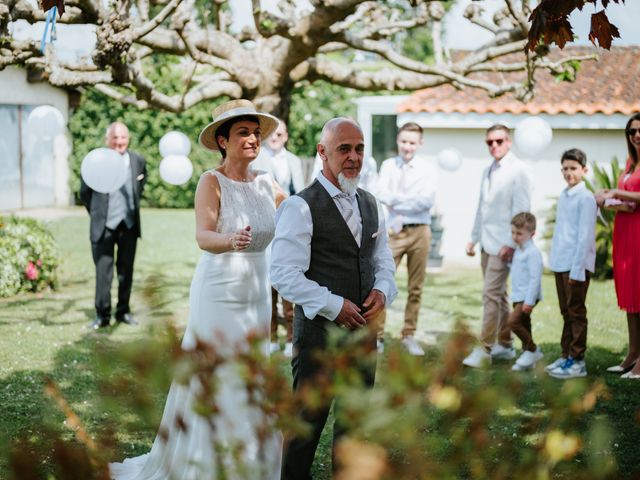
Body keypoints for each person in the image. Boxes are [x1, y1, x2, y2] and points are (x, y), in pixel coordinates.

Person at [110, 99, 286, 479]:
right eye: (243, 132)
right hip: (219, 287)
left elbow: (294, 216)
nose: (253, 138)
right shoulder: (211, 181)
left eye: (256, 131)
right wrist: (230, 240)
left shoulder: (267, 183)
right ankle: (206, 459)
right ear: (223, 140)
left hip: (256, 288)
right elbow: (203, 236)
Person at [271, 117, 397, 479]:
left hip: (363, 336)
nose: (354, 157)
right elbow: (282, 274)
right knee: (306, 426)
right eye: (344, 149)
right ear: (322, 153)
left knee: (354, 425)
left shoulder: (372, 204)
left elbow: (381, 260)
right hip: (318, 338)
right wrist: (333, 305)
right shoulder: (300, 206)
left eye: (359, 149)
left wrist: (382, 290)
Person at [463, 124, 532, 368]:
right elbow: (482, 207)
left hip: (504, 244)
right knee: (499, 295)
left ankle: (485, 348)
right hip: (486, 242)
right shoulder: (487, 170)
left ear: (509, 141)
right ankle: (505, 344)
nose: (494, 146)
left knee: (490, 295)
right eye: (489, 142)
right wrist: (473, 237)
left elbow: (522, 210)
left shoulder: (519, 170)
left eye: (499, 141)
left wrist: (513, 243)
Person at [376, 122, 437, 356]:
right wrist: (406, 199)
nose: (407, 147)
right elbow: (381, 193)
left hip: (420, 231)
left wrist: (396, 199)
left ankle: (409, 334)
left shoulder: (428, 169)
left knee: (415, 287)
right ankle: (378, 336)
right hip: (393, 231)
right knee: (381, 282)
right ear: (398, 141)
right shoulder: (388, 165)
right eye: (403, 141)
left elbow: (426, 201)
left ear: (419, 144)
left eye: (412, 142)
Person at [80, 122, 147, 329]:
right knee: (103, 274)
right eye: (115, 138)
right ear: (107, 140)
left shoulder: (138, 160)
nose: (119, 142)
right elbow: (85, 192)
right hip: (104, 226)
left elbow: (141, 185)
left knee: (126, 272)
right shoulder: (97, 160)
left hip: (129, 225)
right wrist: (98, 214)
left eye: (123, 137)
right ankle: (102, 316)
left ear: (128, 139)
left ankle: (123, 312)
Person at [253, 119, 305, 357]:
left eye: (280, 134)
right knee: (268, 284)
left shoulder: (293, 161)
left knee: (289, 280)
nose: (275, 138)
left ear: (286, 136)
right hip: (265, 225)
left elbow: (300, 192)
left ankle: (292, 338)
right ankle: (271, 336)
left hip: (289, 227)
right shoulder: (256, 158)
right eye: (272, 135)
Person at [596, 113, 640, 380]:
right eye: (632, 131)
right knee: (630, 299)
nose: (636, 135)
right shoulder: (629, 163)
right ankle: (633, 353)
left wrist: (614, 192)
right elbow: (631, 203)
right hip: (624, 232)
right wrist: (611, 203)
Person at [546, 148, 597, 379]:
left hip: (576, 266)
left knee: (576, 312)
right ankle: (566, 354)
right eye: (565, 168)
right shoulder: (565, 195)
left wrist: (577, 270)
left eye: (573, 168)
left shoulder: (585, 198)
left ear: (584, 170)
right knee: (565, 311)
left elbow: (584, 236)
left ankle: (577, 361)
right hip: (561, 262)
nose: (568, 172)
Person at [508, 212, 544, 371]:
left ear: (532, 233)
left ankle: (533, 350)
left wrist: (529, 301)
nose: (515, 237)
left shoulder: (533, 253)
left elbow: (535, 279)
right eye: (513, 232)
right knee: (524, 323)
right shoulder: (519, 249)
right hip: (518, 295)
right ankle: (528, 357)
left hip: (527, 296)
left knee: (513, 322)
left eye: (520, 233)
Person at [311, 152, 378, 191]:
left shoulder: (369, 161)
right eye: (344, 148)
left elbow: (373, 189)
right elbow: (316, 180)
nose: (353, 158)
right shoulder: (324, 154)